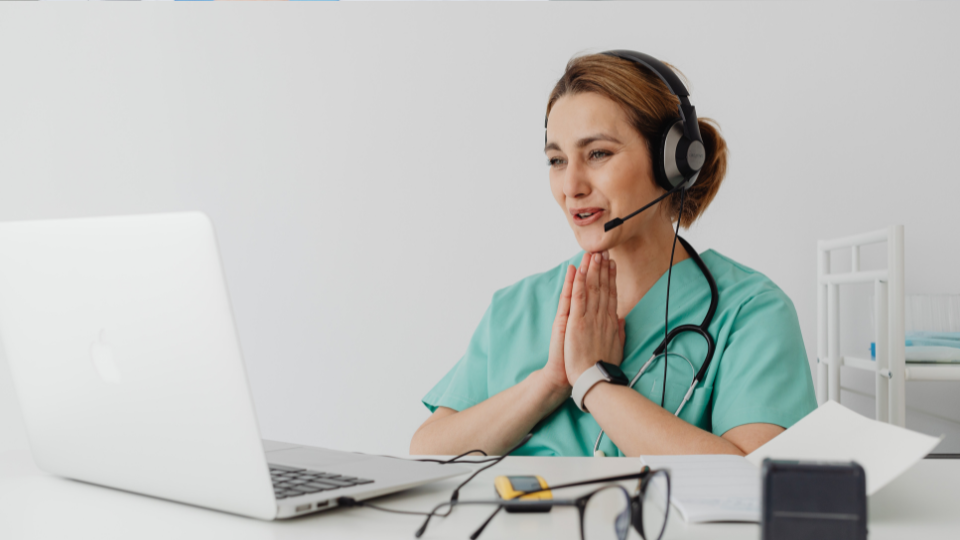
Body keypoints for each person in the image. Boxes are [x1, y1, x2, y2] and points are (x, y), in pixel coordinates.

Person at [409, 52, 817, 458]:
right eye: (556, 160)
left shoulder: (750, 312)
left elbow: (756, 482)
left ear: (672, 163)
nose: (571, 186)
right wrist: (550, 382)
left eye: (598, 154)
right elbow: (426, 452)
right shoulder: (516, 309)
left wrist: (593, 382)